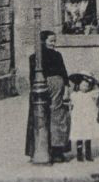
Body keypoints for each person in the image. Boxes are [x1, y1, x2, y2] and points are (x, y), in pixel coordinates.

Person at [24, 30, 72, 162]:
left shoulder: (38, 57)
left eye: (54, 41)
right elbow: (63, 73)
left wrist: (66, 88)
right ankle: (54, 151)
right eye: (51, 41)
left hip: (47, 86)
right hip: (50, 85)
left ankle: (47, 150)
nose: (53, 44)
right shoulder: (40, 57)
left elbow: (63, 73)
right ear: (43, 41)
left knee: (45, 116)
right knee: (55, 116)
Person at [68, 73, 99, 162]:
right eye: (83, 85)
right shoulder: (75, 95)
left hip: (88, 120)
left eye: (87, 85)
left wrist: (94, 81)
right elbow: (70, 103)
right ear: (78, 85)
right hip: (79, 119)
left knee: (88, 136)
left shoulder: (91, 95)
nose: (85, 87)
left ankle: (88, 154)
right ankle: (79, 155)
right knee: (79, 137)